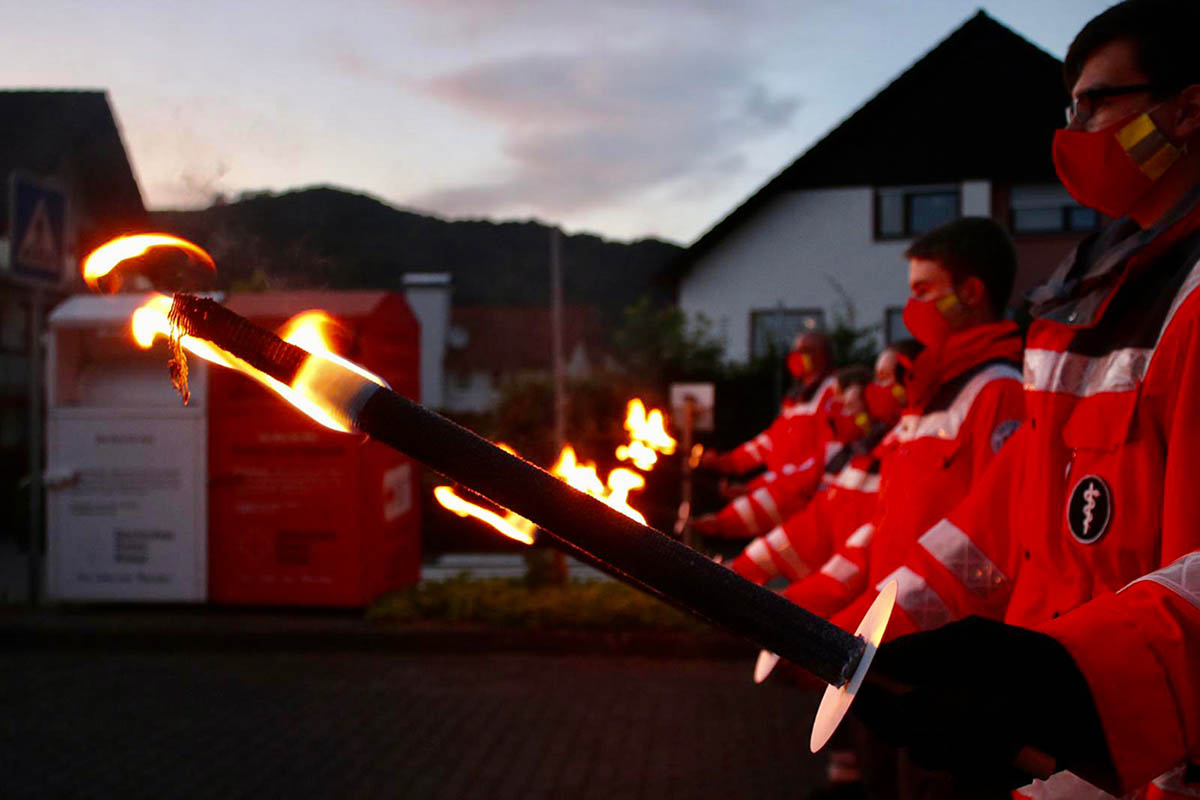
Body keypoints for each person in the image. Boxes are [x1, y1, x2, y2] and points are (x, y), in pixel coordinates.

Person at [851, 3, 1200, 796]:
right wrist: (868, 629)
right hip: (1063, 750)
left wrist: (1061, 682)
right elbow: (1006, 519)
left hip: (1146, 754)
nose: (1075, 128)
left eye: (1098, 102)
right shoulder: (1082, 305)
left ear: (1187, 109)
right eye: (1069, 106)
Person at [779, 217, 1026, 626]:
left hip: (944, 646)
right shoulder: (930, 398)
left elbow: (989, 546)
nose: (913, 306)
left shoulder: (1000, 393)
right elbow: (887, 529)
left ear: (971, 292)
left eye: (924, 291)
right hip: (893, 633)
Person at [726, 342, 919, 587]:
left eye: (848, 406)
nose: (837, 413)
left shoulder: (880, 453)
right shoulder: (850, 451)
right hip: (830, 580)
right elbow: (776, 454)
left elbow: (804, 481)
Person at [695, 364, 870, 539]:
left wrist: (728, 518)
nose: (839, 412)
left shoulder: (828, 406)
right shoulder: (799, 401)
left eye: (847, 404)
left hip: (794, 509)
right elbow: (772, 446)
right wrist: (730, 464)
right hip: (790, 510)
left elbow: (800, 482)